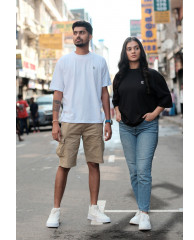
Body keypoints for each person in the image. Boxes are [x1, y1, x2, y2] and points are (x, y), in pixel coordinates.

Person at [46, 21, 112, 228]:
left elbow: (104, 93)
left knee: (94, 164)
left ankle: (94, 209)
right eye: (75, 33)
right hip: (70, 121)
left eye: (82, 33)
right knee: (64, 165)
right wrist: (55, 122)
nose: (78, 36)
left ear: (89, 36)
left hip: (93, 120)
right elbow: (58, 93)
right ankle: (55, 211)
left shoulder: (100, 61)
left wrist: (108, 120)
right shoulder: (64, 62)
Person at [112, 37, 172, 231]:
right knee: (134, 171)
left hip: (147, 127)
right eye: (129, 48)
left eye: (136, 48)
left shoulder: (151, 75)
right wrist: (118, 112)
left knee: (143, 170)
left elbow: (165, 98)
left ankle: (144, 214)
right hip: (126, 128)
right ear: (125, 52)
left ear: (141, 51)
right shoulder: (120, 76)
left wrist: (154, 114)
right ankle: (140, 209)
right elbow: (116, 99)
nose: (133, 51)